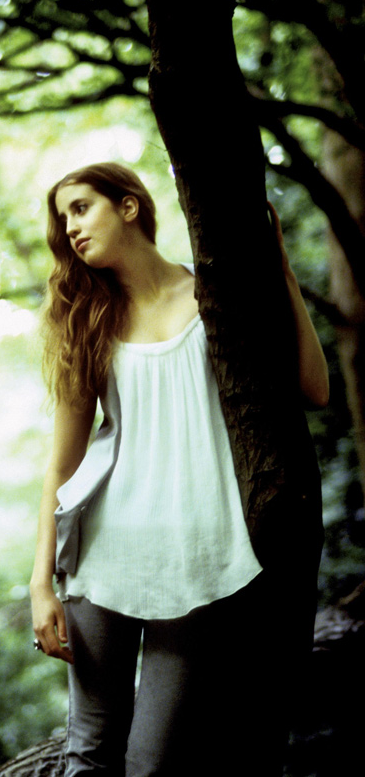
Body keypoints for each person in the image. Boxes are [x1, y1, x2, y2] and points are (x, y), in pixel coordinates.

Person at [29, 162, 328, 776]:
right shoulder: (88, 321)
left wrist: (281, 271)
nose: (71, 228)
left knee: (154, 764)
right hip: (101, 557)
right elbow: (63, 462)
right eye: (63, 220)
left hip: (199, 560)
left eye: (82, 208)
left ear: (129, 205)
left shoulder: (215, 295)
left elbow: (313, 388)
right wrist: (40, 583)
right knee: (90, 751)